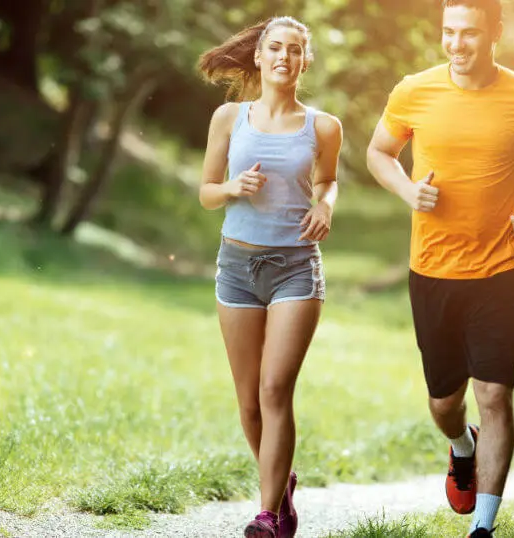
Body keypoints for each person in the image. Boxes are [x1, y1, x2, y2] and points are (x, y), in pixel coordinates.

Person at [365, 1, 514, 536]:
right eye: (449, 32)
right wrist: (410, 191)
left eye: (469, 34)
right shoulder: (414, 90)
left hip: (501, 269)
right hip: (433, 270)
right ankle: (462, 446)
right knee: (443, 403)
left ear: (495, 33)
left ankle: (483, 526)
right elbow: (379, 153)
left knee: (495, 394)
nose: (457, 44)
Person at [197, 15, 343, 538]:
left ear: (305, 61)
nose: (284, 56)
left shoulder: (322, 126)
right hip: (236, 267)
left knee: (274, 389)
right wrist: (234, 187)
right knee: (248, 400)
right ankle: (280, 491)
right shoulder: (228, 117)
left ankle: (264, 516)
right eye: (275, 48)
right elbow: (206, 191)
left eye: (295, 50)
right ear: (259, 57)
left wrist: (325, 206)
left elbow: (326, 181)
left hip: (295, 268)